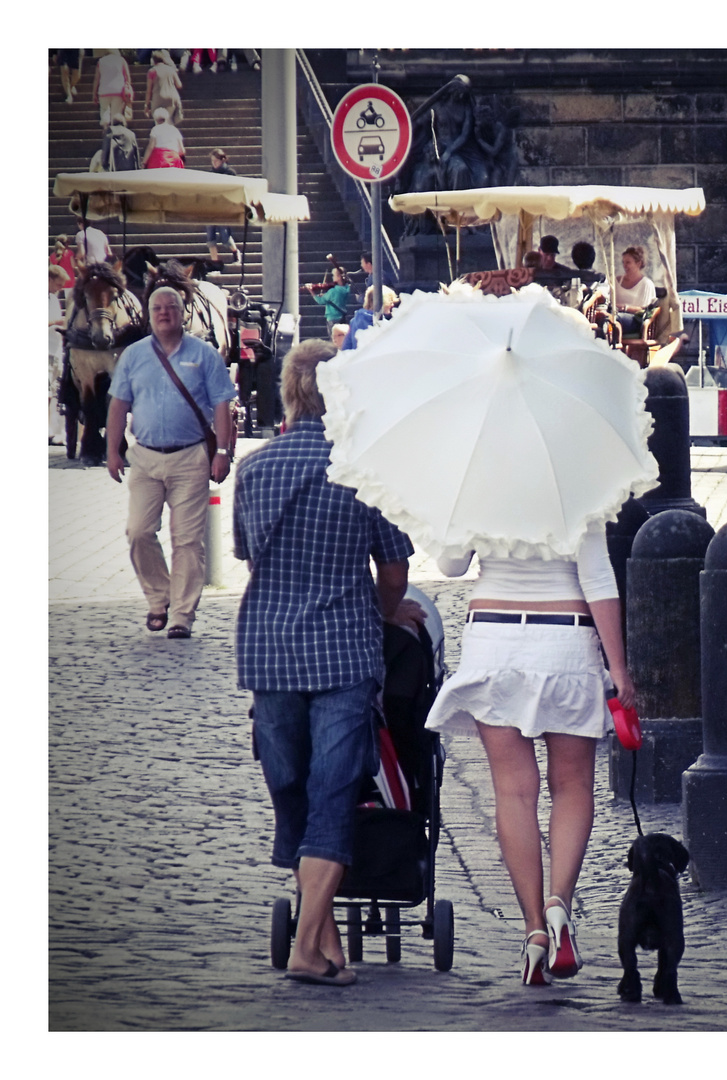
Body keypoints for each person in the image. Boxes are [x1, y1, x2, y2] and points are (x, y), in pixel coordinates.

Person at [233, 339, 419, 987]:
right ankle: (310, 949)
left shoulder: (255, 471)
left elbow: (251, 559)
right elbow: (394, 574)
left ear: (287, 394)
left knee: (293, 793)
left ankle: (319, 940)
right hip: (343, 651)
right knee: (334, 795)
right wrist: (384, 611)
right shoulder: (367, 470)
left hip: (269, 650)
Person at [425, 523, 635, 987]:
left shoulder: (478, 483)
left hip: (494, 641)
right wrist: (618, 669)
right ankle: (560, 902)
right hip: (566, 641)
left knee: (514, 792)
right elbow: (598, 578)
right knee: (573, 785)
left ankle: (534, 930)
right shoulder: (579, 485)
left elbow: (450, 565)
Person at [106, 286, 236, 638]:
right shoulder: (133, 356)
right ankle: (159, 596)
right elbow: (118, 404)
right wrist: (112, 449)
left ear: (182, 313)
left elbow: (223, 404)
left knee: (188, 541)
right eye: (158, 308)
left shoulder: (205, 355)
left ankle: (181, 615)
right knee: (138, 532)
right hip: (145, 458)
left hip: (190, 457)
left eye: (171, 307)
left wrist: (222, 452)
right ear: (149, 314)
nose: (164, 313)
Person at [603, 246, 657, 339]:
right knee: (604, 316)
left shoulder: (646, 284)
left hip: (635, 320)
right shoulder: (616, 281)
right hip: (614, 313)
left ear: (638, 263)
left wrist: (624, 308)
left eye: (628, 262)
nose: (625, 265)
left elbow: (645, 310)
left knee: (614, 319)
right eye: (623, 262)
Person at [205, 149, 242, 264]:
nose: (214, 163)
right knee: (210, 237)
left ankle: (236, 252)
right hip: (211, 208)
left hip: (224, 207)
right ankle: (215, 263)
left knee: (225, 236)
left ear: (222, 160)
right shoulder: (210, 174)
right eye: (212, 161)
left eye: (216, 161)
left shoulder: (230, 173)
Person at [91, 50, 132, 132]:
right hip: (118, 91)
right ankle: (115, 131)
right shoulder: (121, 60)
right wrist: (128, 89)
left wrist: (94, 93)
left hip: (103, 91)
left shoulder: (101, 61)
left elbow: (96, 79)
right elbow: (127, 77)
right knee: (116, 113)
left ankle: (105, 128)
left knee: (104, 110)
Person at [49, 265, 67, 445]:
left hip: (55, 348)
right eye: (58, 285)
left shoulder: (53, 298)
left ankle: (52, 428)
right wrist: (57, 321)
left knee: (54, 391)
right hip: (45, 349)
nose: (60, 289)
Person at [307, 266, 352, 338]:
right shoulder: (346, 289)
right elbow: (336, 297)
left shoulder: (333, 291)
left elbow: (320, 301)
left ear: (339, 277)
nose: (332, 278)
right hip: (342, 317)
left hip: (332, 317)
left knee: (333, 339)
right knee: (342, 338)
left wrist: (311, 292)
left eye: (334, 275)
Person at [144, 50, 183, 124]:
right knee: (169, 120)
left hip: (159, 97)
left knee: (159, 120)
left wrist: (146, 104)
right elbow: (179, 85)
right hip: (173, 97)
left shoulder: (152, 71)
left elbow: (149, 90)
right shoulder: (171, 69)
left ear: (153, 60)